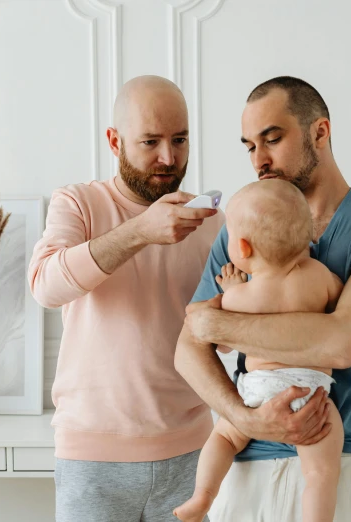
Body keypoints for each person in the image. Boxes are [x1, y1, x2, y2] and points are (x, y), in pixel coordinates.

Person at [174, 76, 351, 522]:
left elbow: (343, 342)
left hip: (338, 463)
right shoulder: (241, 228)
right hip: (244, 467)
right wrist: (245, 419)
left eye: (272, 139)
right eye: (249, 146)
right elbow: (186, 351)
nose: (259, 160)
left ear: (320, 132)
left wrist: (216, 324)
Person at [28, 75, 224, 522]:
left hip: (191, 453)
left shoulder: (210, 222)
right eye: (150, 141)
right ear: (115, 141)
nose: (168, 158)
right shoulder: (77, 203)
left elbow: (225, 341)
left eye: (180, 139)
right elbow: (45, 285)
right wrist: (140, 231)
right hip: (91, 460)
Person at [174, 179, 345, 522]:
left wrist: (233, 292)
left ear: (242, 248)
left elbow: (215, 336)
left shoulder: (239, 297)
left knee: (223, 436)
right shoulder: (319, 276)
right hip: (309, 390)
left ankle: (202, 498)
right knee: (321, 474)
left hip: (257, 390)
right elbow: (340, 305)